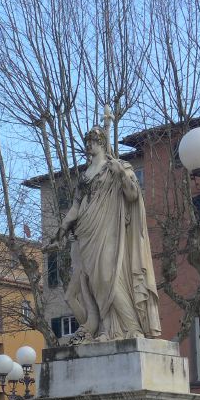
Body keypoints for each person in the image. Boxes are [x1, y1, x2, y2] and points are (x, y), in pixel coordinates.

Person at [59, 126, 161, 342]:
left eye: (94, 140)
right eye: (88, 141)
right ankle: (106, 329)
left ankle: (132, 327)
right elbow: (76, 205)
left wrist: (121, 173)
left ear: (103, 143)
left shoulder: (119, 166)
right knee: (95, 282)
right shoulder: (85, 175)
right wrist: (63, 226)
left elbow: (133, 195)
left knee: (109, 275)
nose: (89, 145)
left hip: (109, 228)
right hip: (86, 231)